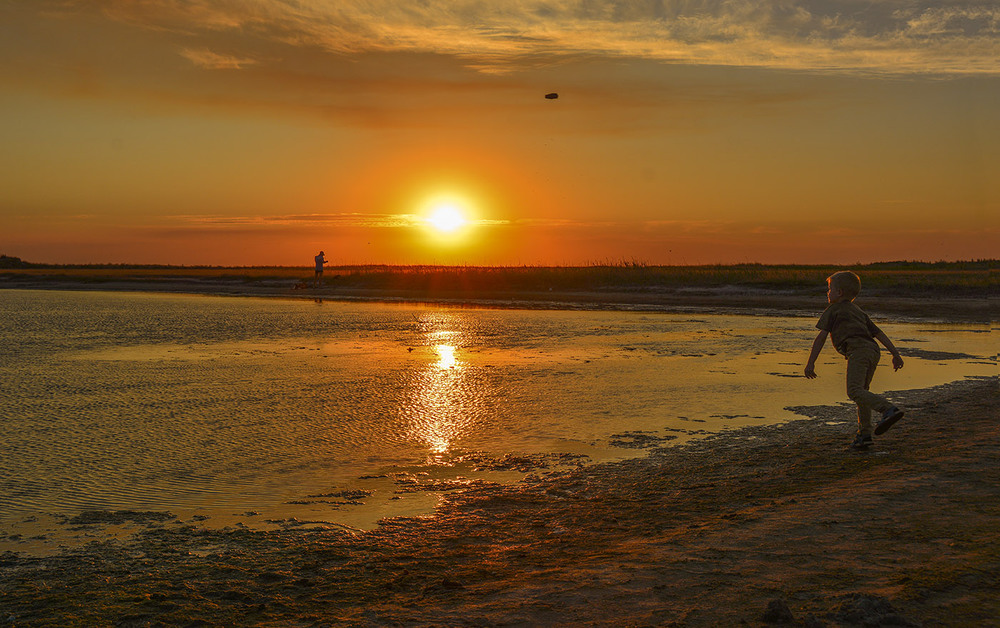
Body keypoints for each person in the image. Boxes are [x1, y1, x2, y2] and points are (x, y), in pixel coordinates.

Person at [804, 270, 905, 449]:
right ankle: (864, 435)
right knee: (862, 393)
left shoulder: (833, 310)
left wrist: (811, 362)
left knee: (854, 391)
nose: (828, 292)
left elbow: (821, 337)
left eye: (830, 289)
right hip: (873, 351)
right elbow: (878, 334)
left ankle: (888, 410)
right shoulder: (858, 311)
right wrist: (895, 354)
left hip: (859, 352)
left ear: (839, 292)